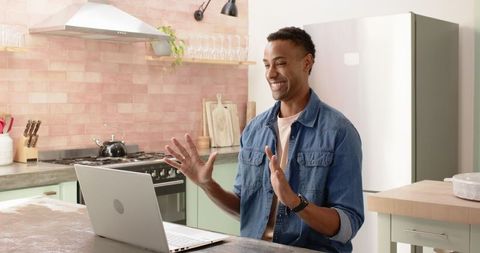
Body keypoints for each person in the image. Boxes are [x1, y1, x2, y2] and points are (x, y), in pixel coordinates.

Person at [164, 27, 364, 253]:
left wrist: (295, 202)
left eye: (280, 63)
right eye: (267, 64)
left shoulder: (339, 132)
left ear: (306, 63)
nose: (270, 74)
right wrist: (208, 185)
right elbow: (245, 208)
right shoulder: (254, 130)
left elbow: (348, 225)